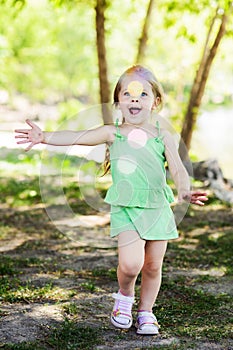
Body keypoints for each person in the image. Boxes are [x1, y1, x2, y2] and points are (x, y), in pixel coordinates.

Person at [15, 65, 207, 335]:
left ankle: (146, 312)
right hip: (126, 207)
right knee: (131, 265)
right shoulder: (112, 133)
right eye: (127, 94)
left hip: (158, 207)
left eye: (142, 95)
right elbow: (77, 138)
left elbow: (176, 168)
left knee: (153, 266)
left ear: (156, 102)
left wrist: (184, 190)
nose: (134, 99)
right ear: (118, 101)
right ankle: (125, 297)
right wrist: (44, 137)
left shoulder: (163, 136)